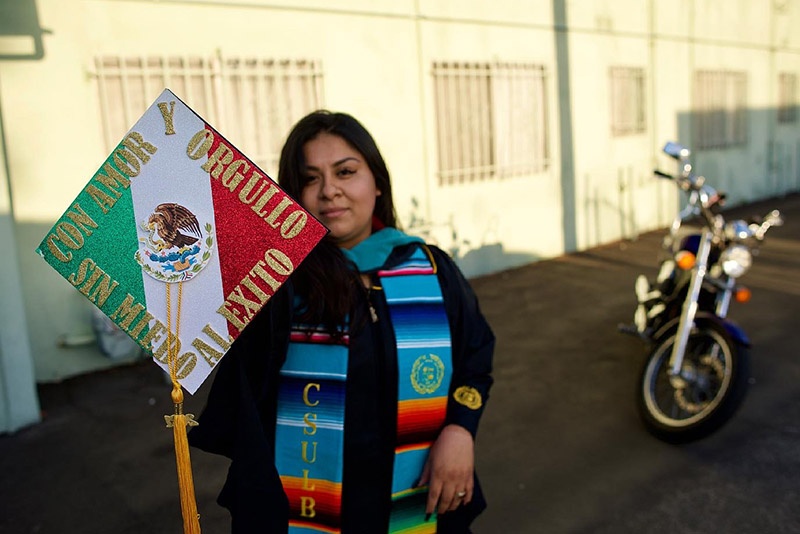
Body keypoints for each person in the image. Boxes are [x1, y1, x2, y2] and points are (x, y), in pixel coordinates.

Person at [189, 110, 495, 533]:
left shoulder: (429, 269)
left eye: (345, 172)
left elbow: (476, 359)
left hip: (415, 499)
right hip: (307, 508)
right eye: (310, 178)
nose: (329, 191)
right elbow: (241, 395)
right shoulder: (275, 287)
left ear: (377, 181)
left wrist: (461, 428)